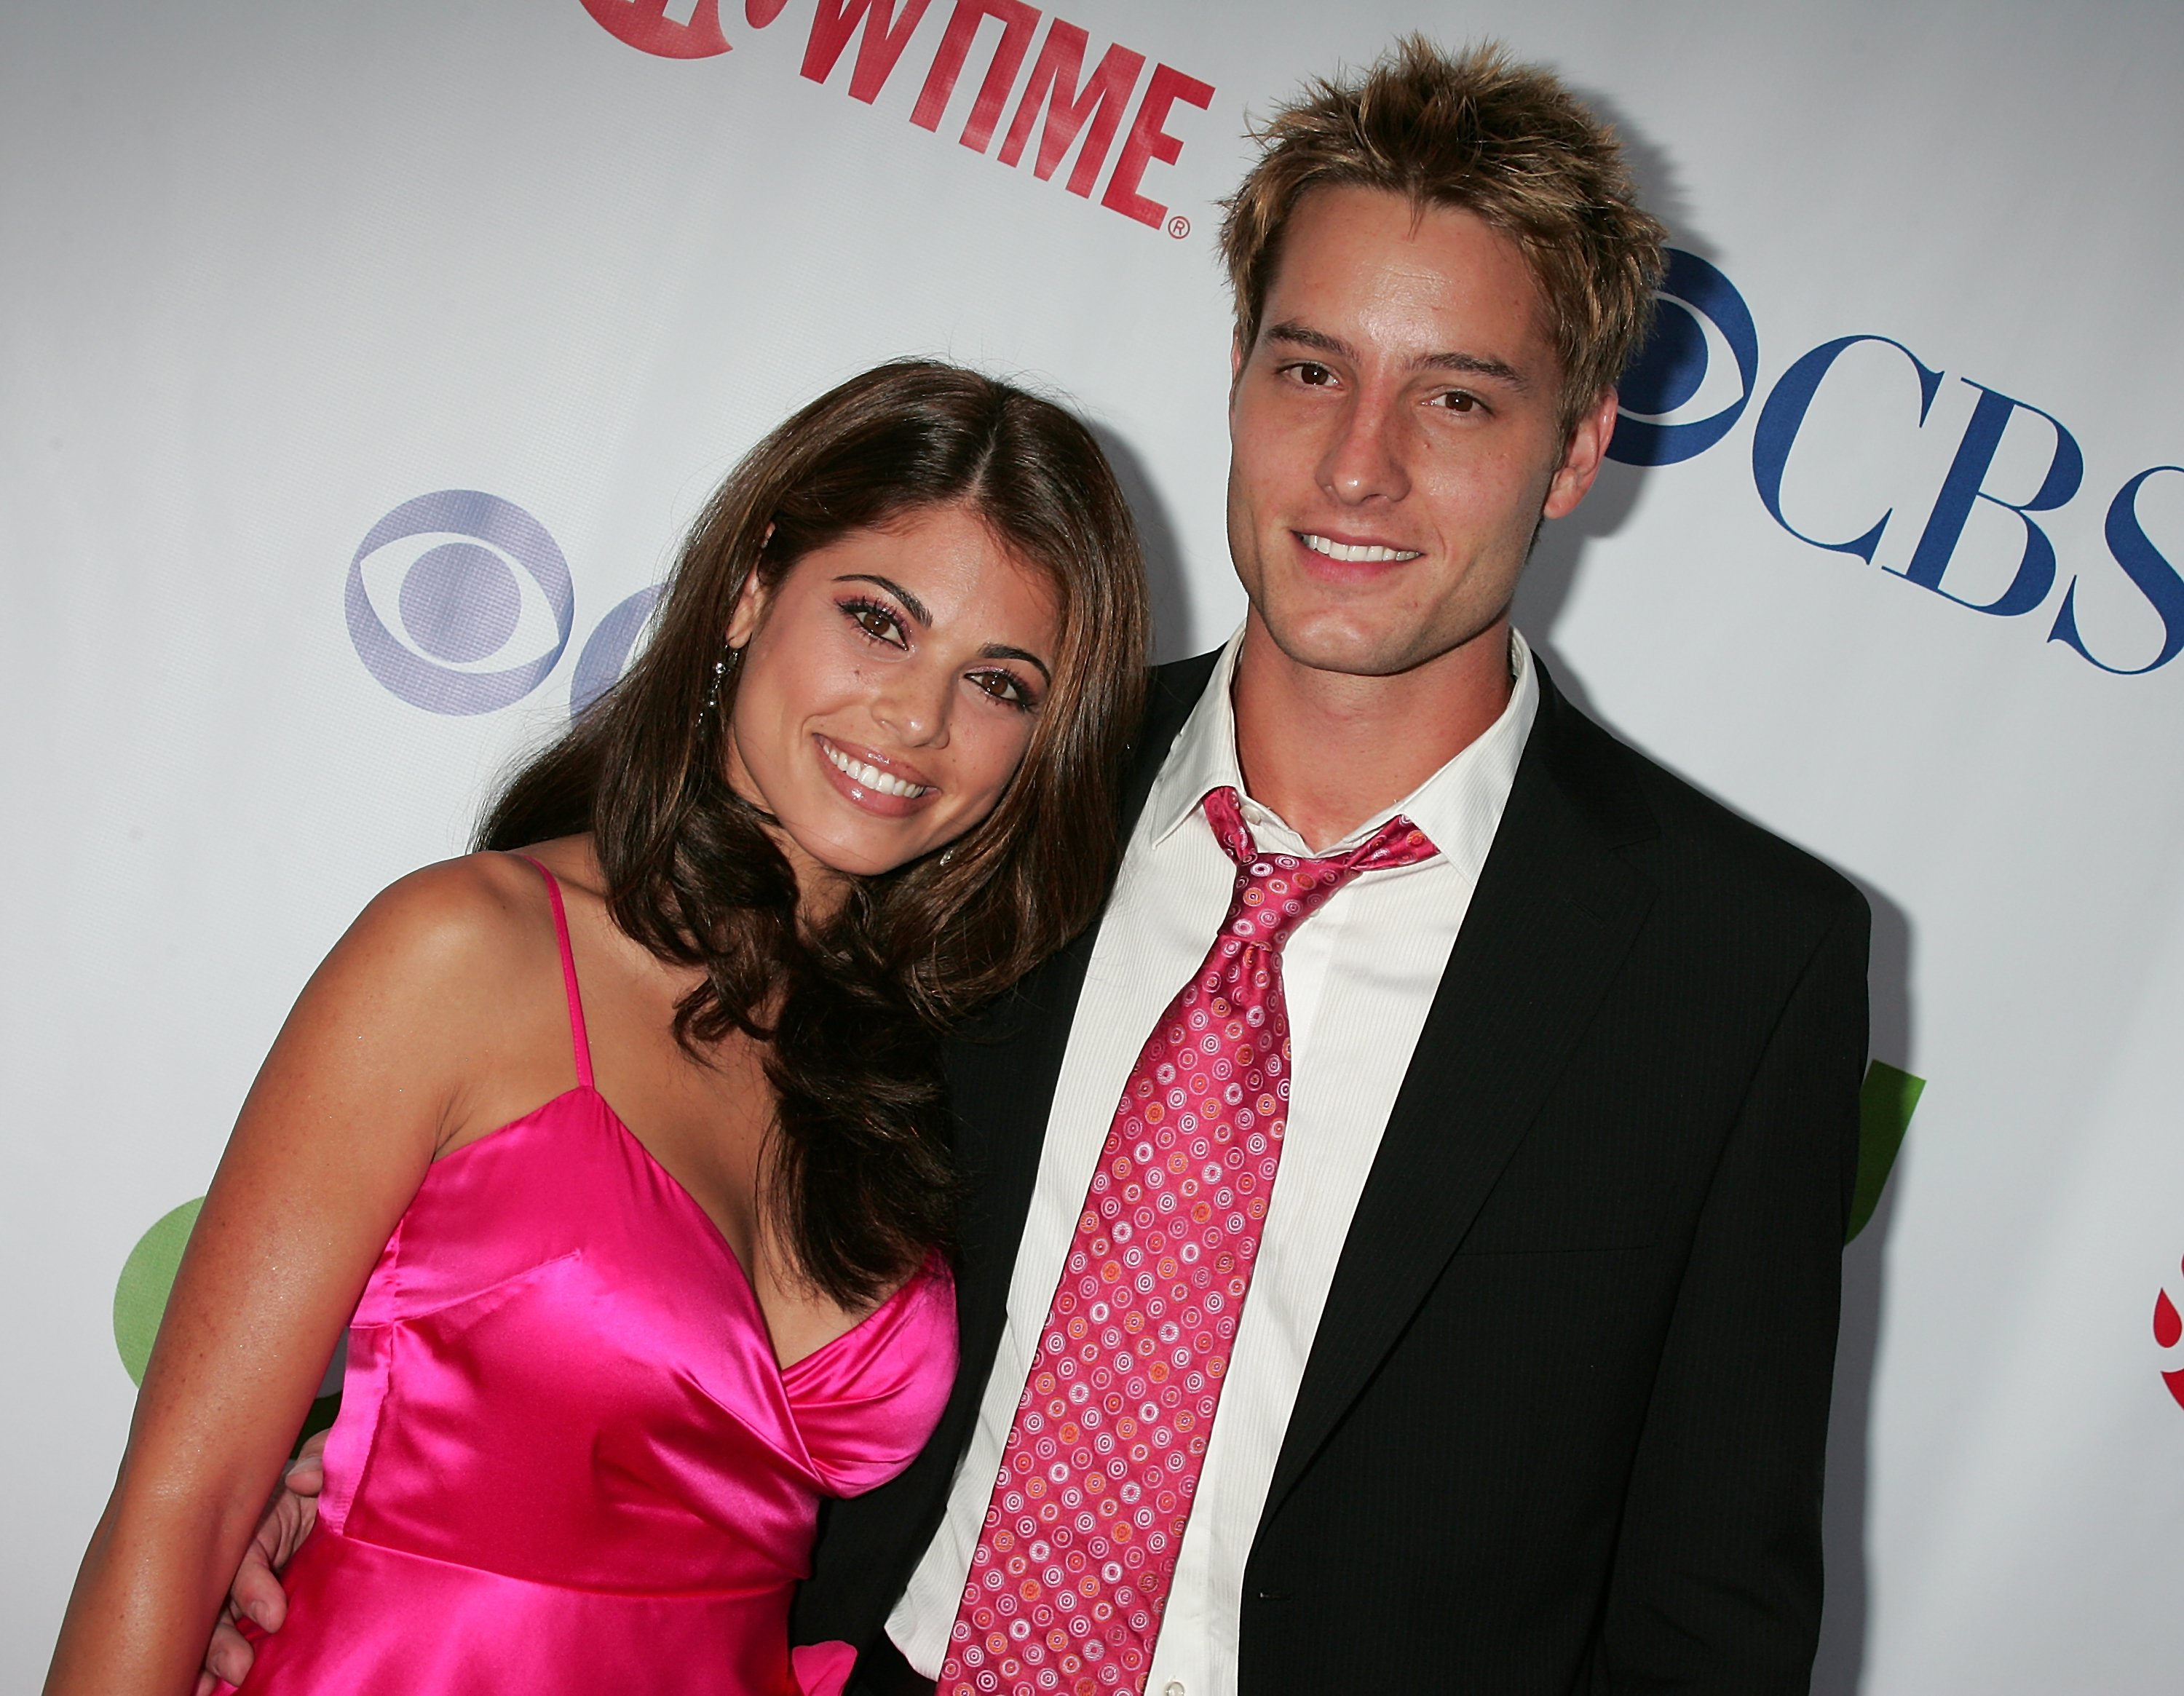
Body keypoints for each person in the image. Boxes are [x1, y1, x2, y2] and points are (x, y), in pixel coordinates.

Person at [205, 36, 1870, 1696]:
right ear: (1236, 374)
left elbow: (1710, 1614)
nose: (1359, 465)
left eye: (1455, 397)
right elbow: (650, 1218)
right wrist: (347, 1475)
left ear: (1576, 448)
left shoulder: (1733, 964)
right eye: (1309, 370)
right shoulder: (984, 799)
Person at [43, 360, 1152, 1696]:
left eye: (1002, 685)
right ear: (751, 586)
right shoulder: (470, 949)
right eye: (878, 619)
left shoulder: (927, 1061)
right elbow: (181, 1515)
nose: (917, 718)